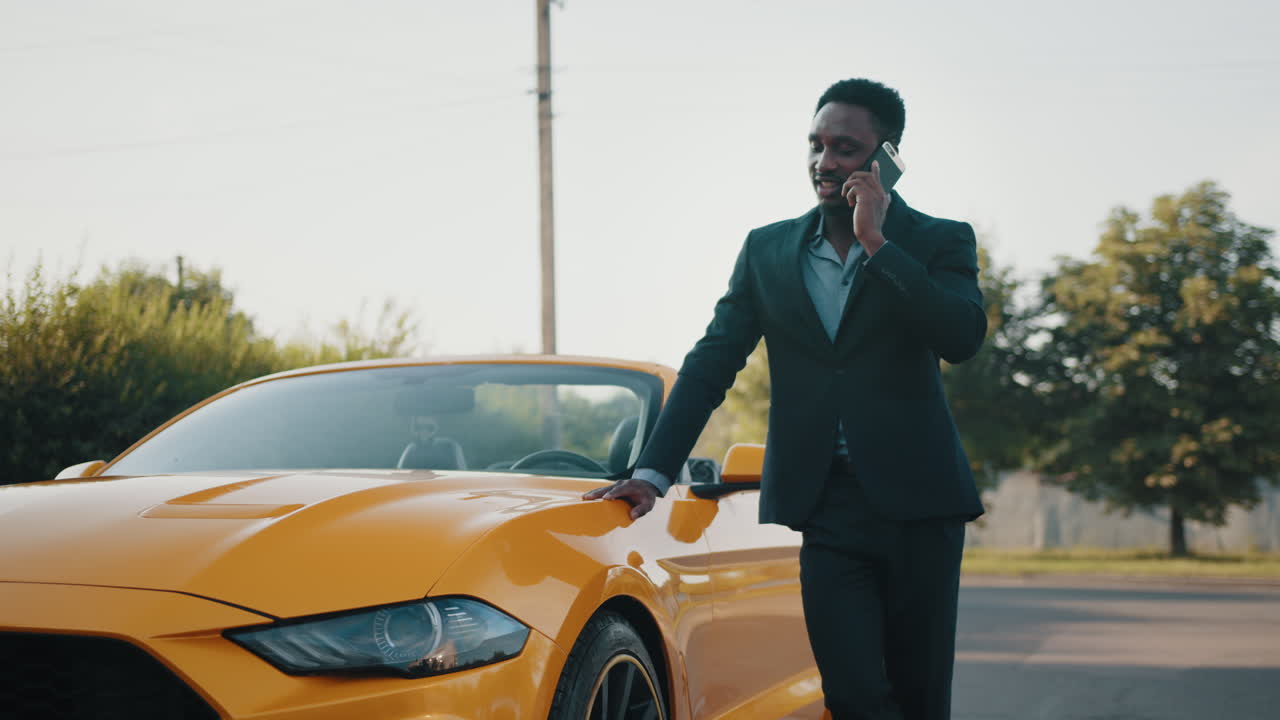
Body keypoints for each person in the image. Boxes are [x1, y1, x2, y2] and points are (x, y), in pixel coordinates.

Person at [583, 78, 986, 720]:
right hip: (826, 506)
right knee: (852, 695)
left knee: (918, 698)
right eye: (817, 145)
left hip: (922, 509)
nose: (825, 164)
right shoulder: (767, 250)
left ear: (884, 159)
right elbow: (713, 361)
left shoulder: (939, 240)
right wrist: (652, 474)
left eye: (846, 149)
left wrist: (879, 243)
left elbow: (961, 336)